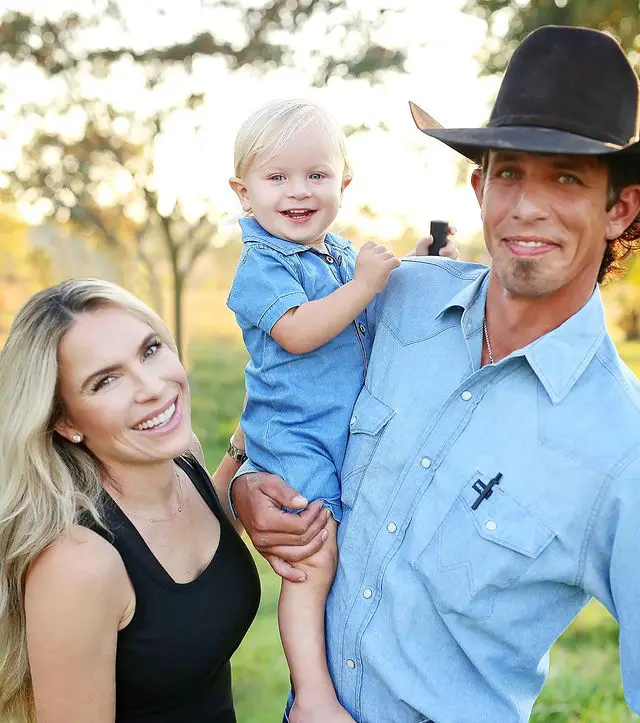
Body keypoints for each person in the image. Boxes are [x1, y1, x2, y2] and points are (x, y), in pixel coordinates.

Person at [230, 25, 640, 723]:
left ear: (620, 209)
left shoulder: (623, 447)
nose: (527, 206)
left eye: (566, 179)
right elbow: (280, 393)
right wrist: (246, 488)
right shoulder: (392, 297)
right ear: (480, 186)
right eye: (509, 172)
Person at [0, 278, 325, 723]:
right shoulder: (78, 564)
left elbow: (191, 581)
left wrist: (246, 453)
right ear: (63, 420)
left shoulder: (183, 460)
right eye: (106, 380)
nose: (151, 387)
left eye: (150, 350)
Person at [226, 98, 458, 722]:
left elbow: (368, 319)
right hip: (294, 438)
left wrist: (416, 264)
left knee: (345, 558)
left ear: (343, 184)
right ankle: (313, 697)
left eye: (316, 175)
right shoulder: (260, 266)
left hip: (344, 436)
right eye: (276, 178)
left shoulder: (335, 256)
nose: (298, 191)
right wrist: (365, 284)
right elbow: (299, 332)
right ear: (243, 192)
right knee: (311, 560)